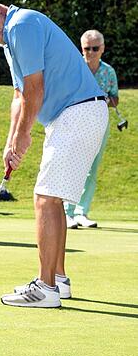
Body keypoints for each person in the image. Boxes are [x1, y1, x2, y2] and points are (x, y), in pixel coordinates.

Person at [0, 0, 107, 308]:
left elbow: (34, 89)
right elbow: (18, 95)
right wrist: (11, 141)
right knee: (52, 199)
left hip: (77, 112)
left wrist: (25, 134)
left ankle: (45, 288)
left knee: (45, 198)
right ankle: (58, 280)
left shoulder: (22, 25)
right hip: (73, 115)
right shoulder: (10, 40)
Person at [63, 30, 119, 229]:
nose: (91, 52)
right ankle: (67, 213)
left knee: (91, 170)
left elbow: (115, 97)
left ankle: (81, 212)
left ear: (102, 49)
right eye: (87, 48)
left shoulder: (108, 71)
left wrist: (107, 99)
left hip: (100, 123)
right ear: (82, 48)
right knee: (73, 167)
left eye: (96, 48)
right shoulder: (74, 67)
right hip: (76, 122)